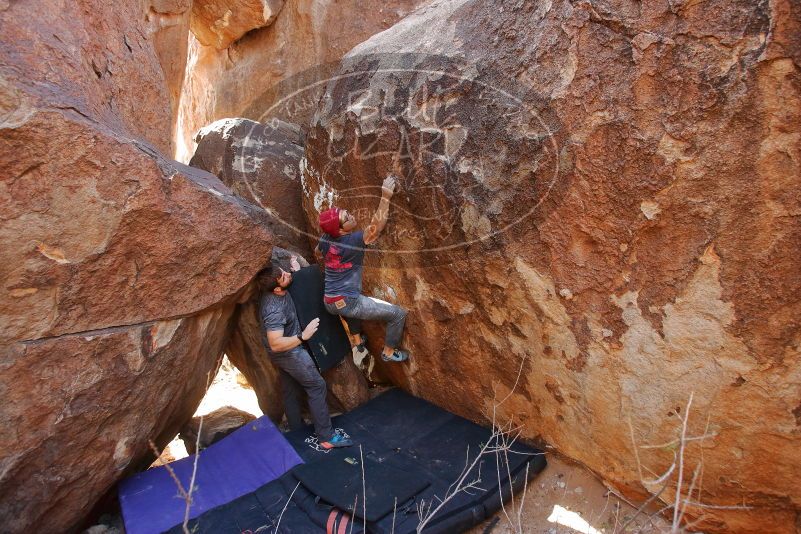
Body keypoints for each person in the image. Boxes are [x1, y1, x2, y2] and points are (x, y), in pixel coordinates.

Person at [257, 257, 353, 449]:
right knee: (316, 386)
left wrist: (297, 271)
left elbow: (291, 283)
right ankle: (326, 437)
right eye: (284, 276)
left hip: (283, 353)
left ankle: (296, 430)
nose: (287, 274)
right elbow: (275, 343)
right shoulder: (273, 309)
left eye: (285, 272)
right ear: (276, 289)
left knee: (289, 389)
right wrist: (303, 336)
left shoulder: (279, 290)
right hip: (288, 351)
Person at [317, 175, 410, 363]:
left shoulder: (325, 239)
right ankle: (390, 352)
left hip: (330, 301)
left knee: (348, 309)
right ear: (341, 230)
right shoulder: (352, 241)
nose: (351, 215)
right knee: (397, 314)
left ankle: (358, 341)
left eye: (346, 212)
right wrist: (385, 197)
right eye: (346, 217)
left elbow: (318, 251)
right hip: (348, 300)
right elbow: (375, 228)